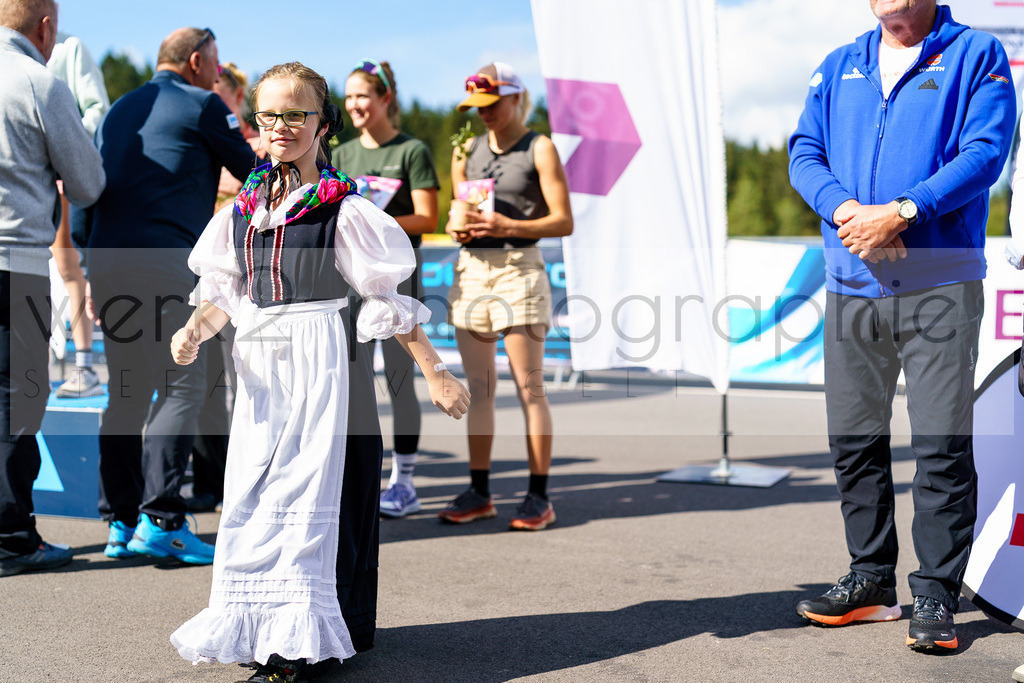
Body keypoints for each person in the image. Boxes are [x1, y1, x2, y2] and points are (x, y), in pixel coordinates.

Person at [167, 61, 469, 681]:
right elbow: (223, 292)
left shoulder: (344, 209)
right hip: (258, 366)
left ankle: (298, 644)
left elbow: (385, 299)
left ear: (321, 123)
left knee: (306, 498)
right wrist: (195, 328)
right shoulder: (240, 210)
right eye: (269, 115)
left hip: (321, 361)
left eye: (295, 114)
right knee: (253, 497)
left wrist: (435, 371)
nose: (281, 126)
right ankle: (263, 627)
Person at [788, 0, 1016, 653]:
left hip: (940, 282)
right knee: (853, 439)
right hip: (850, 280)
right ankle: (870, 580)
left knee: (940, 444)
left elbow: (985, 152)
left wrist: (904, 211)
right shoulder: (840, 63)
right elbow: (805, 153)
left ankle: (937, 592)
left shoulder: (975, 54)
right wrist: (849, 212)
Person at [86, 27, 258, 564]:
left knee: (126, 392)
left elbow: (90, 189)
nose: (217, 72)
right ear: (195, 61)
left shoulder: (119, 110)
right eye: (215, 63)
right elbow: (254, 174)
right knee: (184, 387)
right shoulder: (204, 104)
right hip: (164, 263)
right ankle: (162, 519)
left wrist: (88, 269)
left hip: (108, 262)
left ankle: (120, 523)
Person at [440, 62, 572, 531]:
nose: (485, 113)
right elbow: (457, 211)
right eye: (477, 106)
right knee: (480, 390)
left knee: (529, 388)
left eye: (493, 103)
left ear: (517, 98)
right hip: (473, 270)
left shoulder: (540, 146)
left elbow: (564, 221)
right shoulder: (465, 148)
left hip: (519, 268)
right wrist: (458, 226)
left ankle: (539, 497)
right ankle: (480, 492)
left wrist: (508, 224)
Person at [0, 0, 105, 576]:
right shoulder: (37, 81)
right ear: (45, 28)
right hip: (14, 263)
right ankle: (12, 538)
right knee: (18, 400)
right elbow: (87, 182)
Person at [333, 58, 440, 519]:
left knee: (399, 381)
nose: (354, 104)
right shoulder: (341, 154)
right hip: (349, 282)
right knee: (352, 381)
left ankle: (405, 483)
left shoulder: (411, 150)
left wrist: (376, 221)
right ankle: (358, 480)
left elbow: (428, 217)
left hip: (398, 280)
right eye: (349, 96)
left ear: (385, 99)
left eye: (363, 95)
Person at [186, 61, 259, 515]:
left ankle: (250, 477)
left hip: (251, 279)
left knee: (246, 380)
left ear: (237, 99)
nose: (210, 102)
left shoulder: (259, 149)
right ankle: (210, 481)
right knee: (207, 381)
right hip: (211, 274)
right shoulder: (202, 146)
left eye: (219, 95)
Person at [46, 31, 109, 398]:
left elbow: (97, 111)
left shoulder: (69, 50)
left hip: (60, 181)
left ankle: (84, 367)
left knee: (71, 272)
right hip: (19, 187)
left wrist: (61, 156)